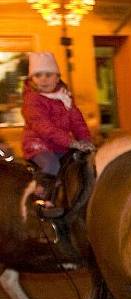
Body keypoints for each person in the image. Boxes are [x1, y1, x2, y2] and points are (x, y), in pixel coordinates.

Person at [22, 52, 93, 215]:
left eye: (48, 74)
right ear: (32, 79)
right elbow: (43, 127)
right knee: (51, 164)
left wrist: (85, 140)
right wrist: (71, 142)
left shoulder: (64, 97)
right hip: (39, 144)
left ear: (57, 77)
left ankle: (72, 199)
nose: (43, 79)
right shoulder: (33, 100)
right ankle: (40, 200)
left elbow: (77, 121)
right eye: (38, 75)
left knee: (79, 163)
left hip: (61, 144)